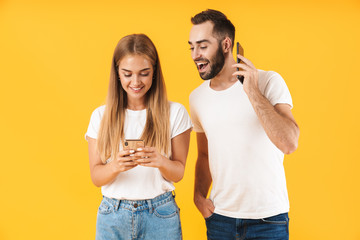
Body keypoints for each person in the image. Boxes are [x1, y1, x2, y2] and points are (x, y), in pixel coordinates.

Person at [188, 9, 300, 240]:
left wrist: (252, 91)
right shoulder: (197, 98)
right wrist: (199, 196)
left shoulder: (268, 81)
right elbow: (204, 155)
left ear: (226, 44)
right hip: (220, 220)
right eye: (191, 47)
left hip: (269, 220)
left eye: (202, 46)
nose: (195, 55)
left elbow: (289, 143)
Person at [85, 34, 192, 240]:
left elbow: (178, 173)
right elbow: (96, 177)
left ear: (154, 73)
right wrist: (115, 165)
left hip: (160, 215)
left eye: (144, 73)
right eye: (127, 74)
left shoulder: (175, 113)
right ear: (117, 73)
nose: (135, 82)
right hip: (112, 215)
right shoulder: (101, 116)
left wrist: (160, 161)